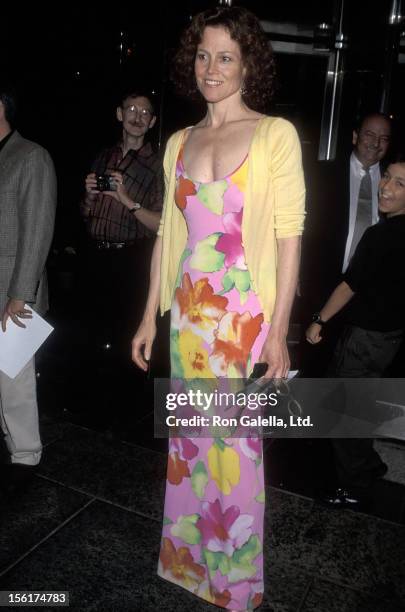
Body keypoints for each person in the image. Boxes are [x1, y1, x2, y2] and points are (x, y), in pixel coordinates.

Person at [132, 7, 305, 610]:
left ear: (247, 63)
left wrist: (279, 331)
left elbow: (289, 235)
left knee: (236, 453)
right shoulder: (179, 141)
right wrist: (148, 315)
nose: (211, 68)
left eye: (225, 56)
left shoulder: (273, 134)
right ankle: (187, 566)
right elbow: (167, 239)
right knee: (188, 449)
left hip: (242, 319)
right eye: (203, 55)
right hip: (188, 318)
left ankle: (238, 585)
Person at [306, 157, 405, 508]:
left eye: (400, 184)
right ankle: (369, 464)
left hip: (365, 337)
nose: (387, 187)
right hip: (389, 338)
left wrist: (319, 319)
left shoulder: (380, 235)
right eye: (388, 178)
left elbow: (349, 286)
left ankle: (353, 486)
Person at [79, 88, 163, 408]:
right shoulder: (104, 156)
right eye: (131, 110)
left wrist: (126, 200)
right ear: (119, 114)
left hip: (132, 259)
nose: (137, 117)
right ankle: (95, 399)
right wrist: (88, 196)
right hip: (96, 254)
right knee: (95, 330)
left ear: (152, 121)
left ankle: (126, 405)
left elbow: (161, 224)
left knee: (129, 331)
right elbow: (86, 213)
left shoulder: (157, 165)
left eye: (144, 113)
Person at [301, 112, 392, 375]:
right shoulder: (323, 174)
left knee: (353, 372)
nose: (376, 143)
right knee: (314, 361)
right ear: (355, 136)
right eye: (369, 134)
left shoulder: (394, 184)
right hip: (323, 283)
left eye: (384, 138)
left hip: (369, 293)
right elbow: (303, 228)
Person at [0, 85, 56, 483]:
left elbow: (37, 231)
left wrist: (20, 296)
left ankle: (26, 454)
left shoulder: (30, 156)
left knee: (14, 378)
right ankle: (8, 438)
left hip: (14, 289)